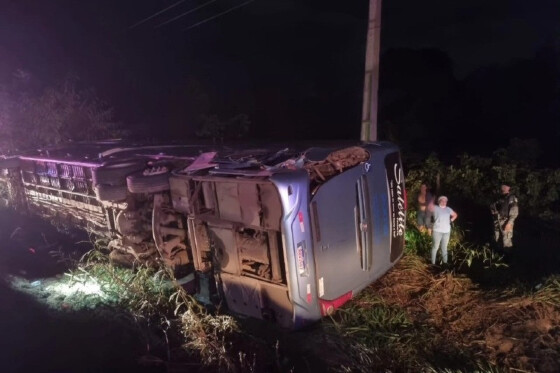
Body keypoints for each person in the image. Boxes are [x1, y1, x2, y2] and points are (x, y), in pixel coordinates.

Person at [430, 196, 458, 265]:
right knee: (435, 247)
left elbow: (455, 215)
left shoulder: (448, 209)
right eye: (442, 201)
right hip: (437, 231)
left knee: (444, 248)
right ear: (439, 201)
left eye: (445, 201)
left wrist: (451, 220)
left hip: (446, 232)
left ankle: (445, 264)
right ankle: (432, 263)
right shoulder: (435, 208)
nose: (444, 202)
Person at [490, 183, 519, 249]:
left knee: (506, 240)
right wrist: (493, 211)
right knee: (496, 238)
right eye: (502, 185)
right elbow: (493, 206)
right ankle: (496, 253)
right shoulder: (499, 197)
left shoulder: (511, 198)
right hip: (497, 220)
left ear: (508, 188)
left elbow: (514, 212)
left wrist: (509, 223)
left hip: (505, 221)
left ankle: (507, 255)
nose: (502, 187)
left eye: (504, 186)